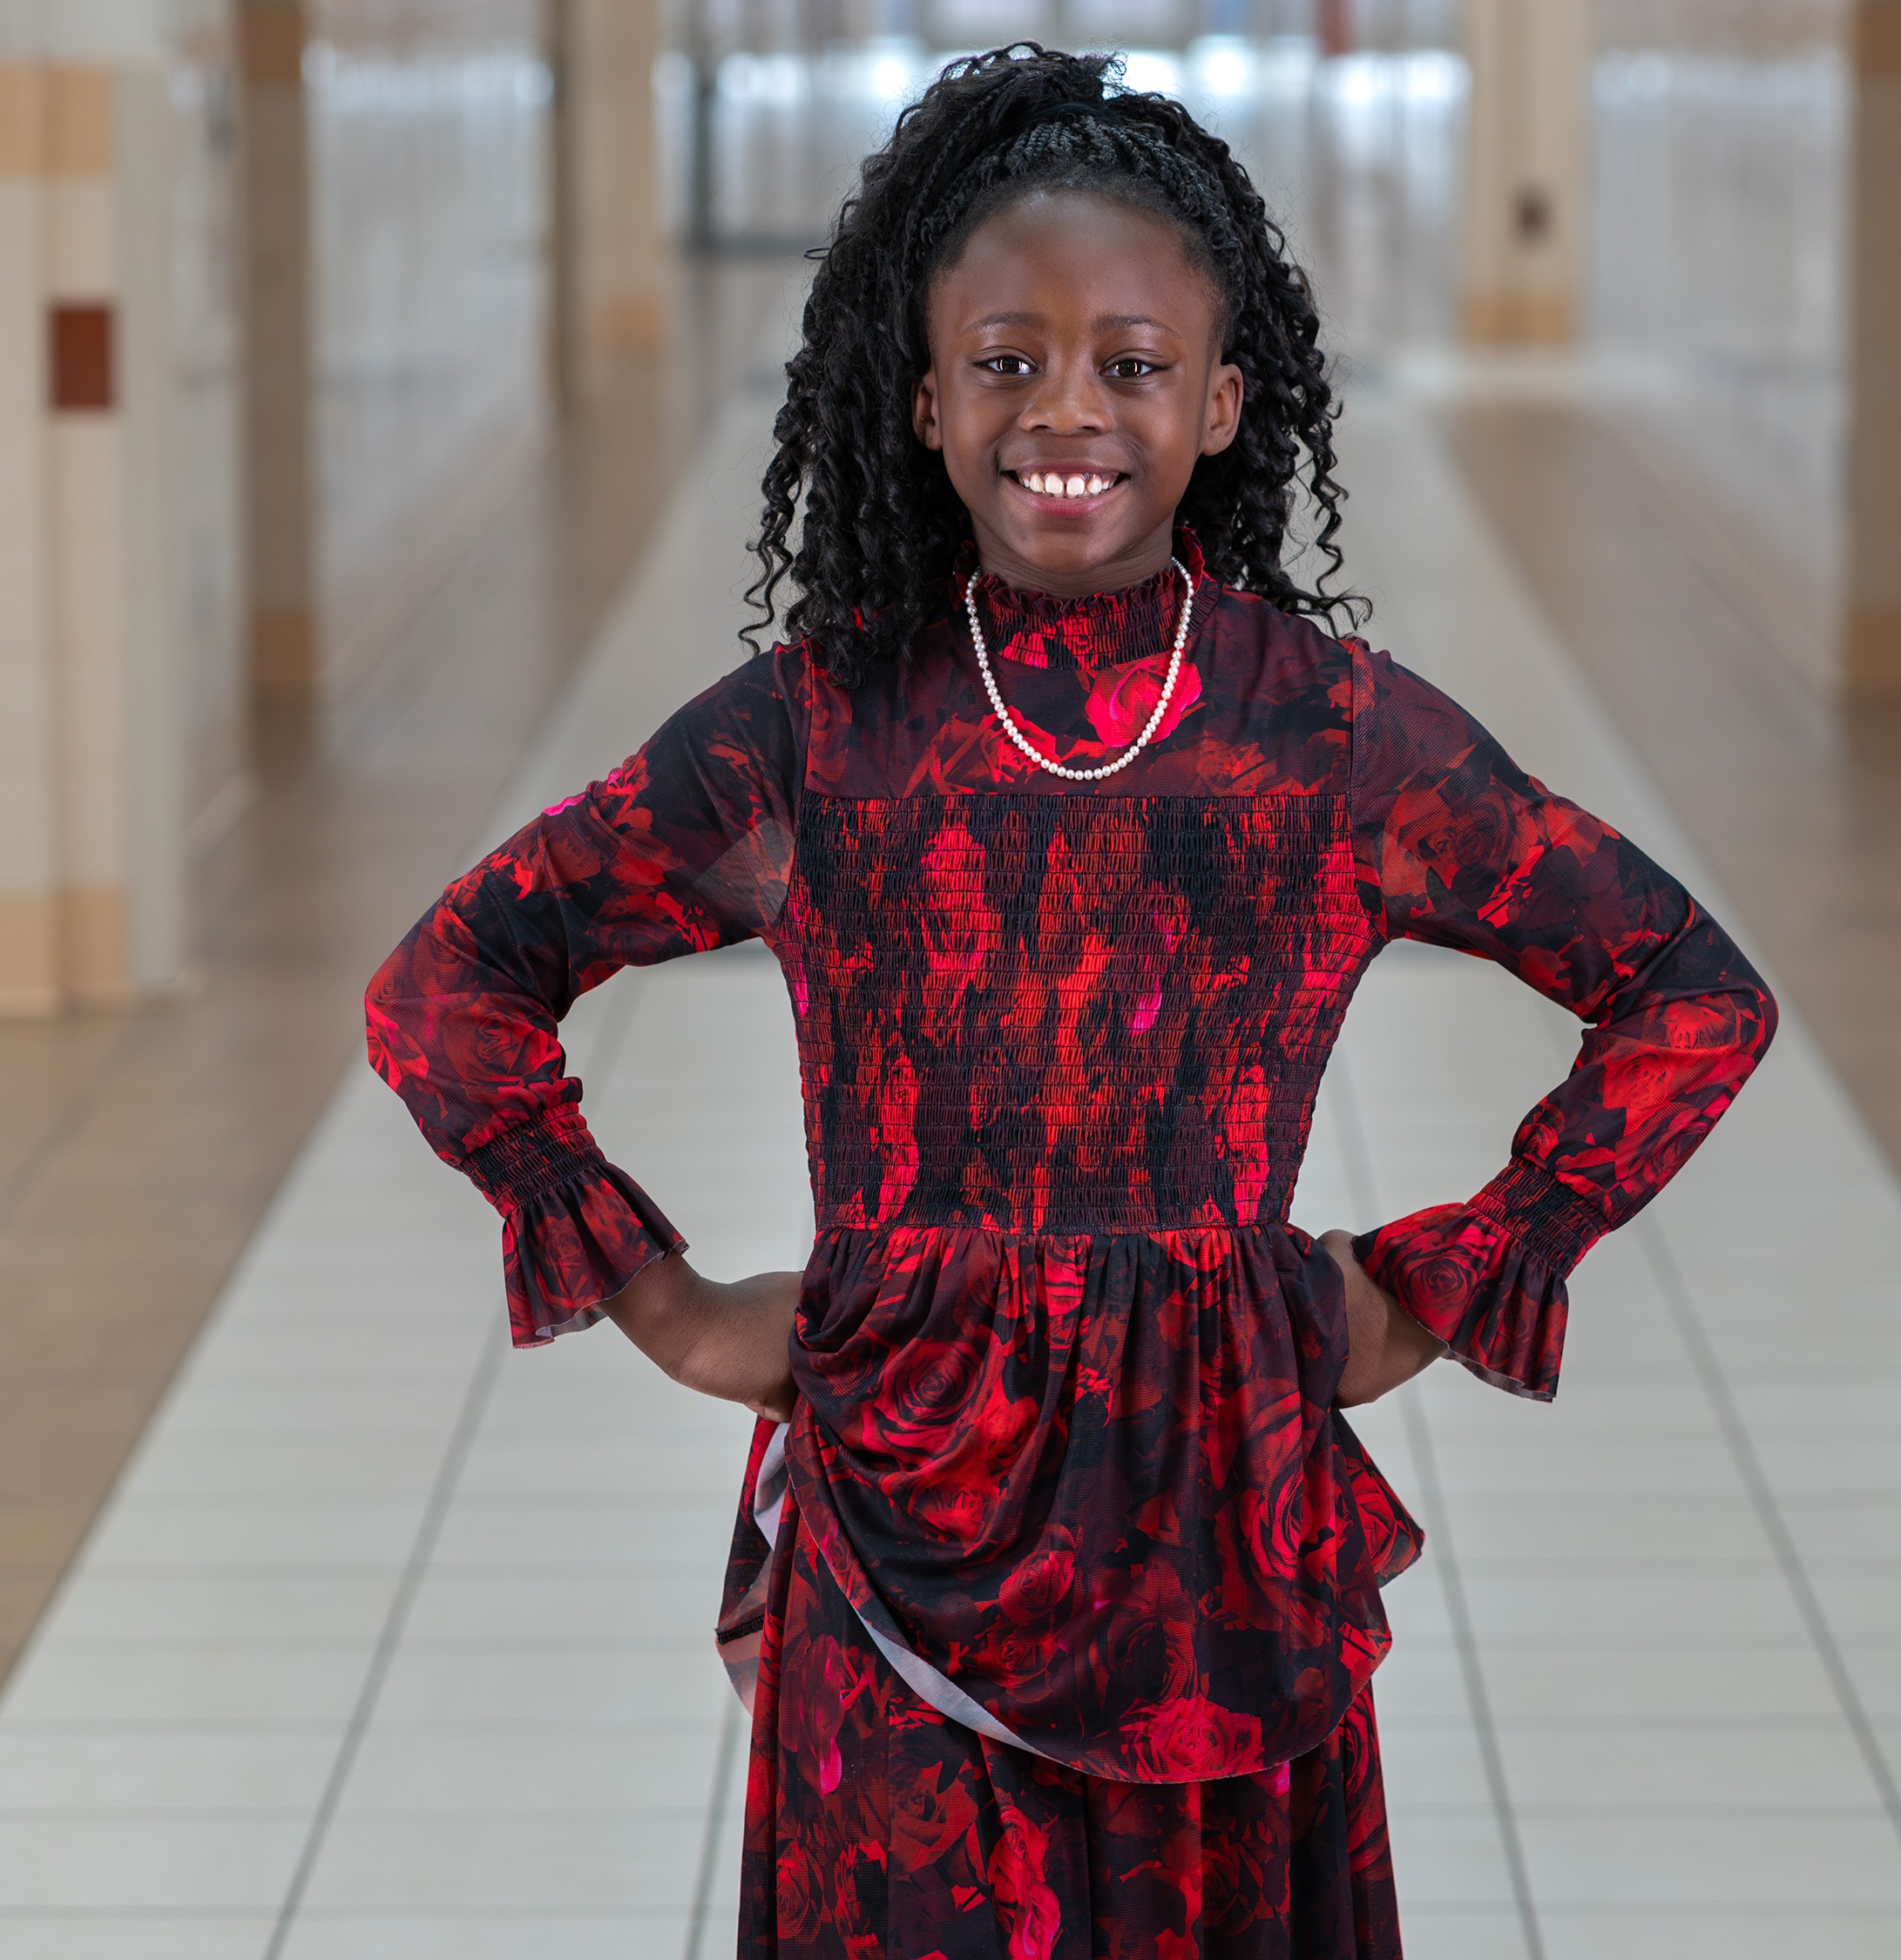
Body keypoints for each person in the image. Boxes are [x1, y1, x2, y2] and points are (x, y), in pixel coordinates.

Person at [365, 44, 1776, 1960]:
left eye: (1130, 363)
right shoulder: (817, 728)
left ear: (1219, 402)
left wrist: (1451, 1276)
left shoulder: (1329, 734)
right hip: (896, 1524)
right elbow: (451, 979)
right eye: (1007, 359)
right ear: (925, 398)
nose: (1066, 411)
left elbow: (1689, 994)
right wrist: (668, 1304)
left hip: (1221, 1531)